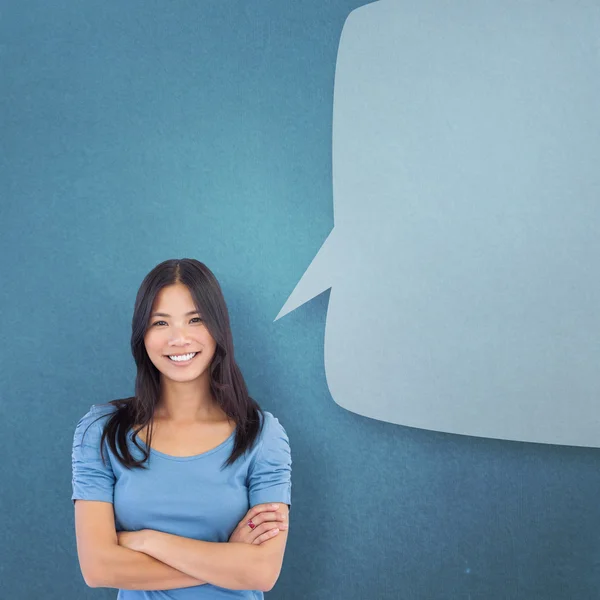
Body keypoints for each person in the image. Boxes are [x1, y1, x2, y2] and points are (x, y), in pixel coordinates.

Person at [71, 258, 292, 598]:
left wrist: (146, 541)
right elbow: (99, 568)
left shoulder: (262, 436)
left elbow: (261, 572)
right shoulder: (100, 433)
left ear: (218, 328)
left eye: (195, 319)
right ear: (142, 335)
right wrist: (227, 560)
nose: (179, 338)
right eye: (160, 322)